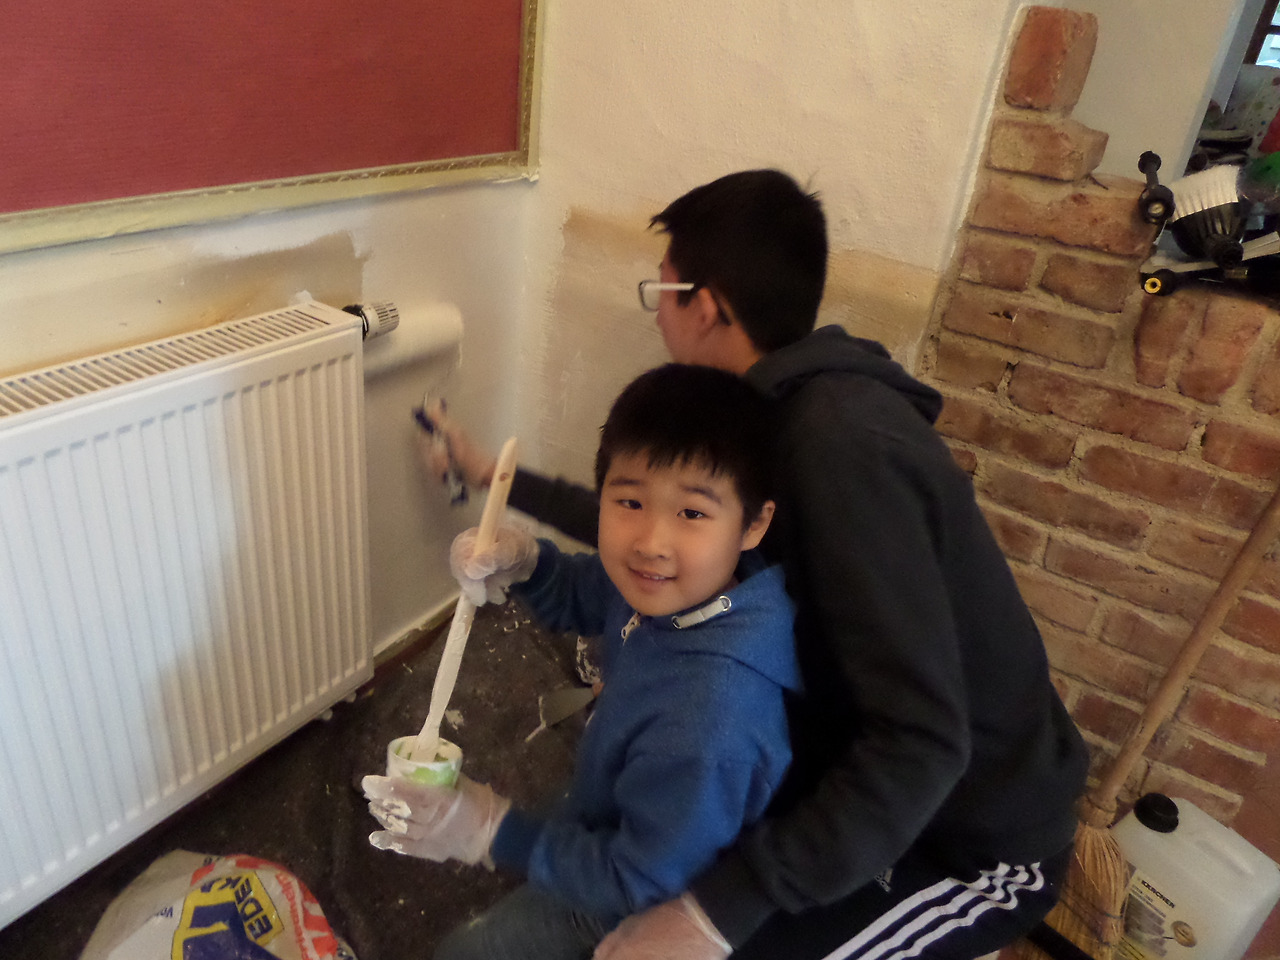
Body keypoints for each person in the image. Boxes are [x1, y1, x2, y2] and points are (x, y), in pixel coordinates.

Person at [420, 169, 1091, 960]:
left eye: (659, 291)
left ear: (703, 306)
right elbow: (658, 520)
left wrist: (714, 913)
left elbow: (922, 744)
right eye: (631, 503)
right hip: (848, 766)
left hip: (961, 837)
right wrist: (507, 506)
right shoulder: (769, 415)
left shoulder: (840, 449)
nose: (654, 539)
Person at [364, 363, 802, 960]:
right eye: (630, 501)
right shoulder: (683, 589)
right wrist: (527, 564)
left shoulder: (711, 725)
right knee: (536, 830)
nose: (651, 542)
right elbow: (586, 590)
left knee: (466, 953)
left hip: (643, 893)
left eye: (693, 513)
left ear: (754, 524)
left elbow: (637, 877)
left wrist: (492, 829)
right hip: (619, 803)